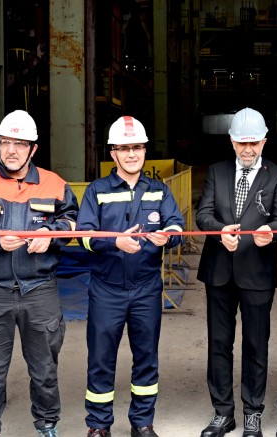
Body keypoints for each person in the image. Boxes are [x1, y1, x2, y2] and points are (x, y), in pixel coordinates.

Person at [0, 110, 79, 437]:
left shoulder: (55, 184)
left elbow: (73, 225)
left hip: (40, 289)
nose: (11, 150)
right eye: (6, 142)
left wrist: (49, 234)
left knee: (45, 370)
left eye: (19, 144)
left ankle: (47, 425)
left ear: (32, 149)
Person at [77, 116, 185, 437]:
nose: (132, 154)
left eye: (137, 147)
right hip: (106, 289)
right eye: (124, 148)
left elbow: (177, 224)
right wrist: (114, 240)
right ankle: (98, 425)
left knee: (146, 357)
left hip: (146, 288)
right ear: (113, 153)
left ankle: (142, 422)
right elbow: (83, 235)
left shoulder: (159, 191)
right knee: (101, 358)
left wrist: (169, 235)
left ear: (144, 150)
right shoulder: (97, 191)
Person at [195, 108, 277, 437]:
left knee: (255, 344)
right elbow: (202, 214)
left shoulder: (276, 174)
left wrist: (272, 232)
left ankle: (253, 412)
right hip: (219, 271)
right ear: (231, 141)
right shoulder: (217, 172)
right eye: (241, 143)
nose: (248, 149)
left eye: (254, 142)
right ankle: (223, 413)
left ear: (264, 141)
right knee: (219, 344)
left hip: (257, 272)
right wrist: (220, 230)